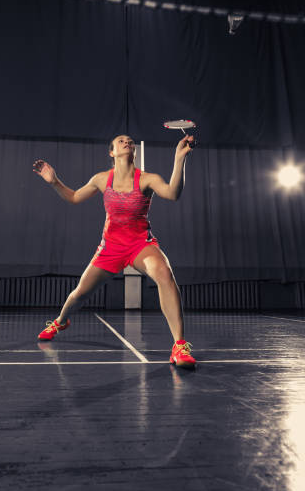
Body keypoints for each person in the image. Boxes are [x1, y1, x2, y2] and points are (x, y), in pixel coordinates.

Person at [32, 134, 196, 368]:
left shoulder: (147, 179)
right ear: (112, 152)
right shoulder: (101, 179)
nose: (127, 142)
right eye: (121, 141)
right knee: (80, 294)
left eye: (130, 141)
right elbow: (75, 197)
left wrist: (179, 159)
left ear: (134, 152)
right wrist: (54, 182)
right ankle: (60, 321)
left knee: (165, 274)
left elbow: (172, 193)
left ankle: (179, 346)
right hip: (110, 247)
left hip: (141, 244)